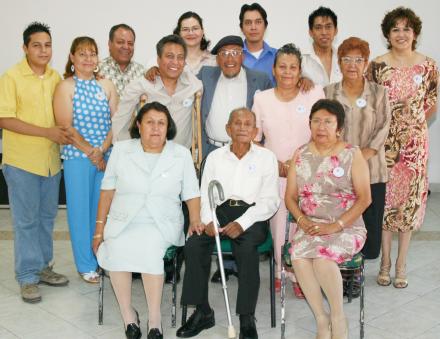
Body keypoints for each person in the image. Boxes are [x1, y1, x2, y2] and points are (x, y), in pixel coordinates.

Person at [93, 102, 201, 339]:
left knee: (151, 252)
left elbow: (192, 193)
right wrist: (99, 231)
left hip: (161, 223)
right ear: (139, 126)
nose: (156, 128)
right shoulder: (122, 150)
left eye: (161, 123)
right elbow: (107, 191)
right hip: (124, 221)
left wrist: (194, 219)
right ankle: (128, 316)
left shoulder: (180, 154)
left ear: (168, 127)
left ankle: (154, 319)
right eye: (150, 122)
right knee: (116, 250)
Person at [176, 107, 280, 339]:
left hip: (252, 214)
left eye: (247, 124)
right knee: (194, 245)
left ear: (255, 131)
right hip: (217, 210)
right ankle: (202, 312)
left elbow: (271, 201)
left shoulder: (266, 158)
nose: (242, 128)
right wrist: (208, 221)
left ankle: (246, 318)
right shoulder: (214, 157)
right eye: (237, 123)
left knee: (246, 250)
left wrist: (242, 223)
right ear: (227, 128)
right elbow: (204, 194)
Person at [285, 99, 371, 339]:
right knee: (299, 257)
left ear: (339, 127)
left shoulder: (352, 154)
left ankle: (337, 317)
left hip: (346, 226)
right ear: (309, 124)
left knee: (323, 261)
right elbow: (290, 197)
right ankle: (321, 319)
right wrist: (302, 221)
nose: (321, 127)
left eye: (328, 122)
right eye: (316, 121)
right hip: (310, 225)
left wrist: (335, 225)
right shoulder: (300, 154)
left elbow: (365, 199)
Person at [0, 22, 71, 303]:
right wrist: (47, 133)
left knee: (46, 219)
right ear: (25, 48)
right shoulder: (11, 77)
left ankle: (43, 267)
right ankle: (27, 277)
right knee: (25, 221)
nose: (43, 50)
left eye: (48, 45)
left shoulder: (56, 79)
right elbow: (4, 119)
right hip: (22, 163)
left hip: (51, 163)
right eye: (37, 45)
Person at [367, 7, 438, 288]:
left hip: (414, 149)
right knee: (385, 204)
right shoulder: (377, 66)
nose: (401, 34)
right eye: (395, 29)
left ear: (415, 33)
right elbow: (372, 105)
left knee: (408, 205)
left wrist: (413, 127)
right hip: (385, 146)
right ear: (387, 33)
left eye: (406, 28)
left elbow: (431, 103)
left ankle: (401, 264)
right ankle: (384, 262)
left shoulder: (429, 65)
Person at [252, 43, 324, 298]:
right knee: (279, 225)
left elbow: (323, 133)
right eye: (282, 66)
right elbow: (255, 139)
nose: (287, 72)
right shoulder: (262, 98)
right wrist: (275, 164)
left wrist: (299, 162)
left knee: (302, 227)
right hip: (276, 173)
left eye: (293, 67)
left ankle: (300, 275)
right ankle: (280, 272)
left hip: (307, 172)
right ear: (274, 69)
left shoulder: (313, 93)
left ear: (300, 71)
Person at [53, 36, 118, 283]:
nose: (88, 58)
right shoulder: (65, 87)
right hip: (77, 157)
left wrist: (102, 150)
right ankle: (85, 265)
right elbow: (65, 127)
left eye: (92, 53)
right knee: (80, 213)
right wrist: (92, 152)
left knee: (102, 212)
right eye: (82, 54)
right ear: (72, 57)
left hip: (105, 157)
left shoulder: (107, 85)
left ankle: (101, 259)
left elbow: (117, 122)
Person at [324, 37, 391, 261]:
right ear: (339, 62)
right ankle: (345, 271)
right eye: (346, 59)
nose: (352, 65)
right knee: (342, 226)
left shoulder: (379, 92)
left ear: (366, 63)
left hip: (372, 170)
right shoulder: (328, 92)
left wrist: (365, 153)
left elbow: (384, 125)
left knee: (371, 239)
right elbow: (322, 127)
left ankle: (361, 266)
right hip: (338, 172)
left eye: (358, 60)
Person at [113, 34, 202, 148]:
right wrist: (126, 152)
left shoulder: (193, 85)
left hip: (179, 156)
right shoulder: (141, 86)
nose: (175, 62)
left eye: (180, 57)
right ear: (158, 59)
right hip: (146, 154)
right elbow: (120, 122)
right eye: (169, 56)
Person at [199, 35, 272, 157]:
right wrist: (158, 72)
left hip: (246, 151)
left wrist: (301, 81)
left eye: (235, 52)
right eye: (224, 53)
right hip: (211, 151)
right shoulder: (206, 74)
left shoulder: (260, 79)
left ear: (243, 56)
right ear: (217, 59)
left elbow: (275, 99)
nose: (229, 59)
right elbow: (183, 82)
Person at [99, 24, 145, 98]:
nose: (126, 47)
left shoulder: (142, 73)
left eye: (130, 43)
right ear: (109, 44)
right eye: (120, 42)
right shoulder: (97, 70)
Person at [302, 6, 342, 86]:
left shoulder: (344, 58)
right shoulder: (301, 59)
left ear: (336, 31)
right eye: (318, 28)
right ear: (310, 32)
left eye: (328, 27)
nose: (324, 32)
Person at [239, 3, 277, 85]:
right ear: (241, 28)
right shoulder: (234, 57)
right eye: (248, 23)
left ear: (265, 26)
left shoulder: (278, 56)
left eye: (258, 22)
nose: (253, 27)